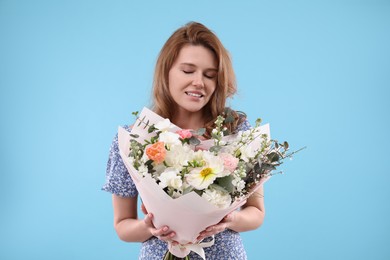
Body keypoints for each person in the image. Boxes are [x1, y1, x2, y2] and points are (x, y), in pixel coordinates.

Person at [102, 22, 265, 259]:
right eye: (188, 71)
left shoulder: (236, 130)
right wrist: (148, 227)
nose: (199, 82)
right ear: (166, 71)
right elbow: (123, 225)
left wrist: (231, 219)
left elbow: (256, 213)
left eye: (210, 75)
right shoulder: (135, 138)